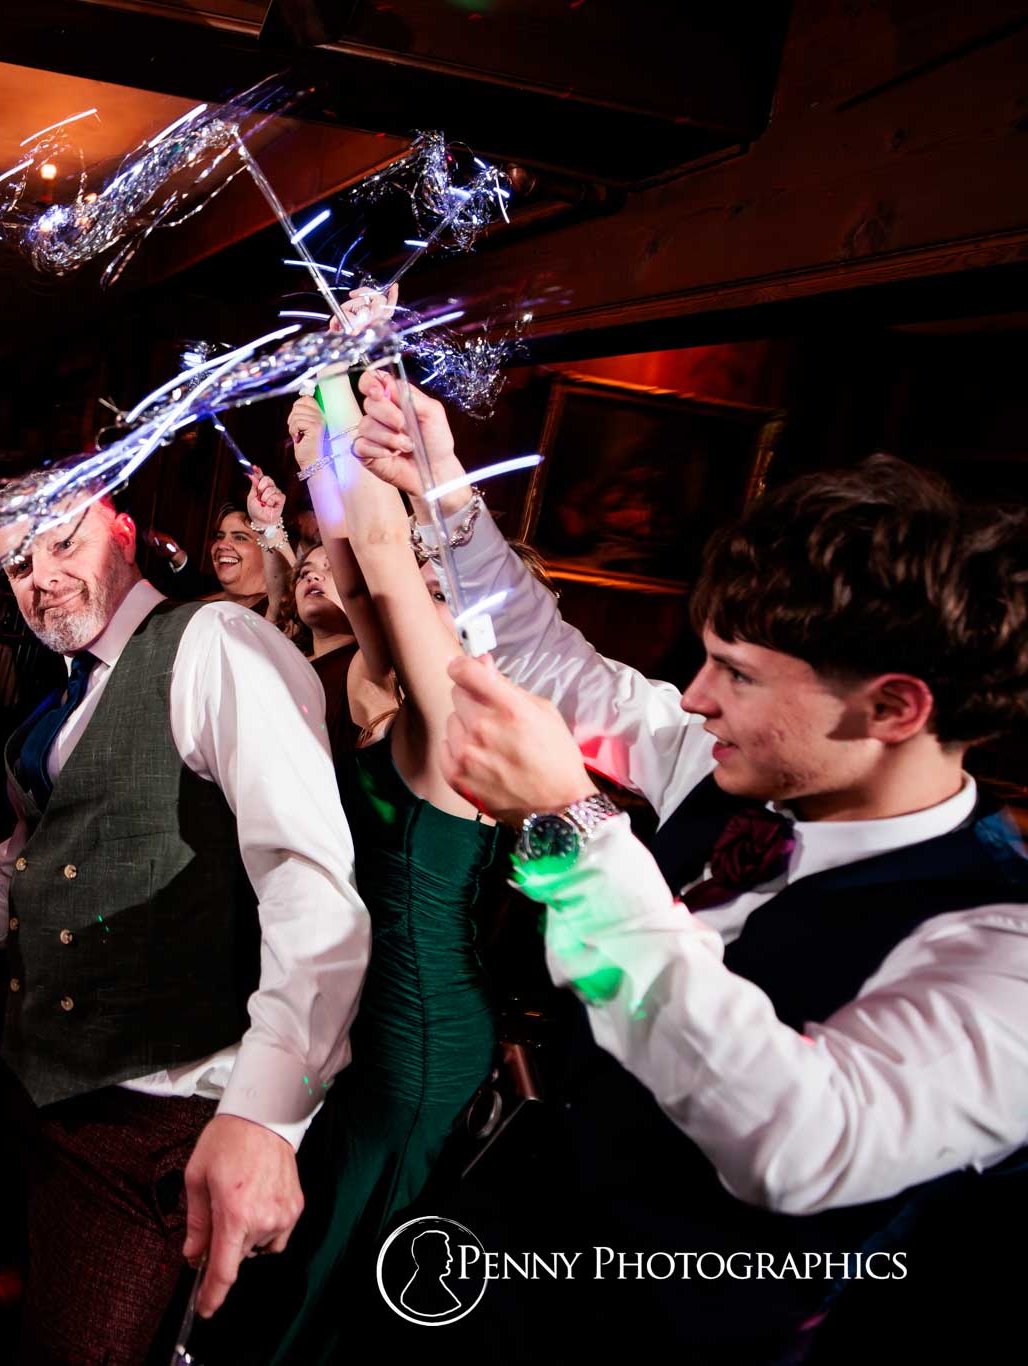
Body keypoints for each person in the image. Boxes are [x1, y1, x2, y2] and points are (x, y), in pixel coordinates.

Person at [355, 368, 1028, 1361]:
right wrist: (445, 495)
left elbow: (798, 1143)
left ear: (892, 708)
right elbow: (556, 667)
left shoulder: (999, 947)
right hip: (510, 1254)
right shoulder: (719, 764)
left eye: (738, 673)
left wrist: (565, 825)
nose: (696, 696)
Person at [0, 486, 370, 1363]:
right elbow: (24, 864)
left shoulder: (218, 644)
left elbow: (310, 886)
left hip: (156, 1121)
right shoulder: (74, 687)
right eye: (18, 562)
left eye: (62, 543)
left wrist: (270, 1117)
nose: (40, 577)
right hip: (42, 1088)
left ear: (124, 529)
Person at [261, 386, 536, 1365]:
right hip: (372, 1008)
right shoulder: (405, 691)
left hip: (412, 1032)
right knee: (313, 1240)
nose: (406, 584)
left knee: (334, 1264)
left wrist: (347, 410)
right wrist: (314, 458)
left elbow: (379, 554)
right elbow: (355, 566)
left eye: (433, 578)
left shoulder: (457, 715)